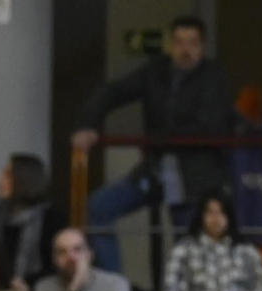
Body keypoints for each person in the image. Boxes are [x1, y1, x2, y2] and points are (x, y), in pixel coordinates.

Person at [73, 14, 235, 272]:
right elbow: (112, 92)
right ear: (170, 45)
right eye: (179, 42)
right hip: (154, 170)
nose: (185, 50)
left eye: (192, 43)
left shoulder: (214, 77)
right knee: (99, 207)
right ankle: (116, 288)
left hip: (195, 179)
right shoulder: (155, 72)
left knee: (189, 251)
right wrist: (88, 124)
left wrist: (164, 137)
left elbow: (211, 124)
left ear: (202, 47)